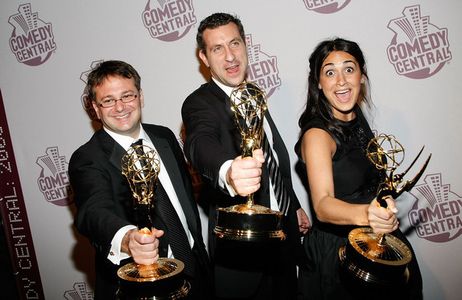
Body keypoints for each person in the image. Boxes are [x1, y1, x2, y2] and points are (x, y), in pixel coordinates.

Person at [181, 13, 310, 300]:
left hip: (283, 236)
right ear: (204, 57)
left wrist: (293, 204)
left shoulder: (253, 95)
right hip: (242, 253)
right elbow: (199, 143)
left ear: (245, 45)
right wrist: (228, 171)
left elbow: (274, 159)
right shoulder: (200, 103)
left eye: (235, 43)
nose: (230, 56)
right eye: (217, 49)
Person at [69, 60, 211, 299]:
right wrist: (127, 239)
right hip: (140, 288)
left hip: (197, 274)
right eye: (108, 100)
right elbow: (93, 212)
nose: (120, 107)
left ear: (141, 96)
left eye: (127, 96)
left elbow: (183, 201)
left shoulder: (164, 137)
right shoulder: (87, 159)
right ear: (95, 107)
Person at [295, 37, 423, 299]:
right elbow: (322, 205)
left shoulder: (356, 118)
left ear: (361, 76)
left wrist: (384, 200)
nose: (341, 80)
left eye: (349, 69)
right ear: (319, 83)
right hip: (340, 254)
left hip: (376, 240)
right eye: (330, 72)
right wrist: (369, 214)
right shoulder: (317, 135)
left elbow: (369, 179)